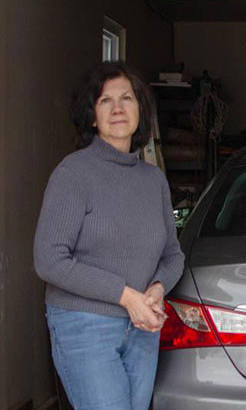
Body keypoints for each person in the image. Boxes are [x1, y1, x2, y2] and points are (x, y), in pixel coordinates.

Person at [34, 61, 184, 410]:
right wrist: (127, 297)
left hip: (144, 326)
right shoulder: (73, 174)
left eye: (127, 98)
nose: (118, 108)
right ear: (91, 115)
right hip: (85, 326)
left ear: (140, 111)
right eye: (105, 101)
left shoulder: (153, 180)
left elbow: (173, 255)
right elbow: (49, 259)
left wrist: (157, 289)